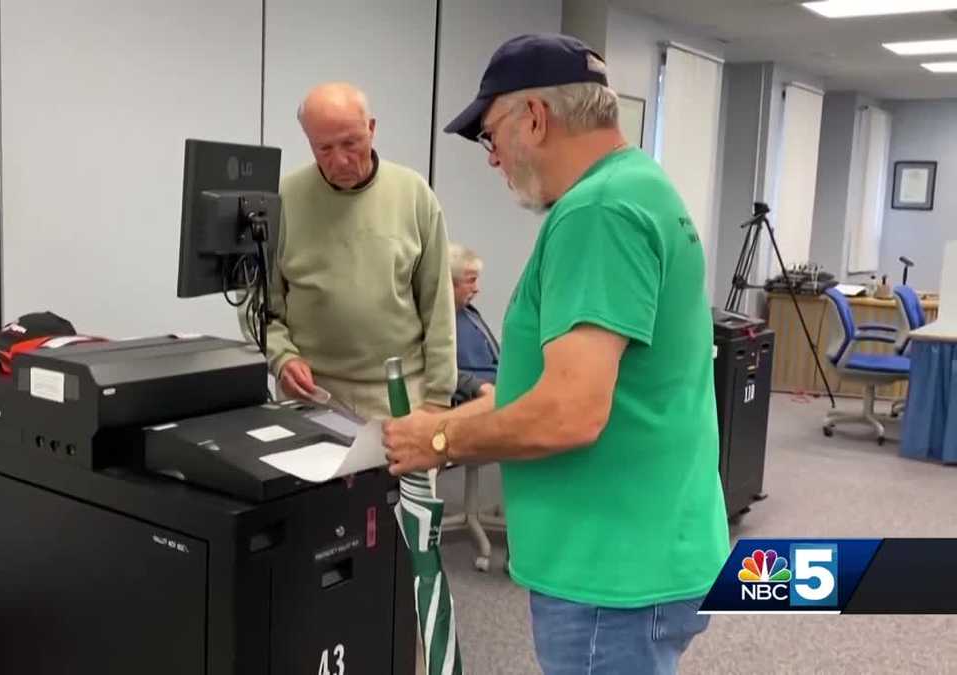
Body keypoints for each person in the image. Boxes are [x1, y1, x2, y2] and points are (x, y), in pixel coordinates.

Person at [381, 34, 729, 674]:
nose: (493, 160)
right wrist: (483, 410)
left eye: (490, 137)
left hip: (611, 569)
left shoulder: (596, 212)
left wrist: (438, 439)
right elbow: (599, 383)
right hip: (653, 543)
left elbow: (570, 413)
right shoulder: (641, 184)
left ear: (534, 118)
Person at [260, 82, 457, 420]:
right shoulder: (283, 199)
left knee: (400, 475)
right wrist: (282, 358)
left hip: (398, 392)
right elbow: (260, 302)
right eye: (324, 148)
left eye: (351, 143)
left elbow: (438, 304)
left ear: (372, 129)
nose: (340, 160)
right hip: (312, 392)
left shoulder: (413, 194)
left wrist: (438, 399)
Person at [450, 242, 500, 387]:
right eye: (471, 281)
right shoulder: (434, 322)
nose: (476, 289)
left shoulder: (471, 314)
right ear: (449, 282)